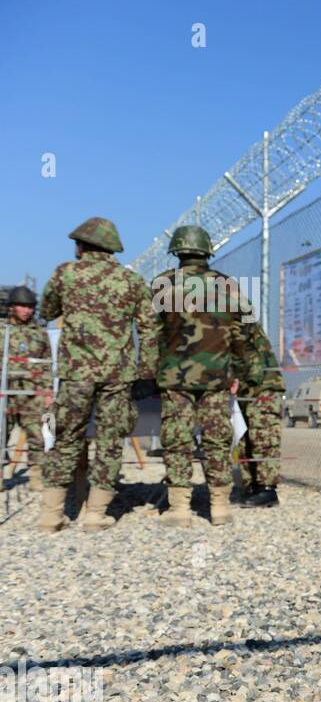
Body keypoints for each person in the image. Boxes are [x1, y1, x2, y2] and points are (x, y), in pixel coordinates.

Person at [38, 217, 159, 533]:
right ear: (110, 248)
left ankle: (51, 515)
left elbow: (47, 311)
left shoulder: (65, 272)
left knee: (67, 437)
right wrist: (146, 371)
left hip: (75, 373)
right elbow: (149, 328)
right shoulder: (130, 281)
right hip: (116, 375)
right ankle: (95, 514)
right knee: (109, 440)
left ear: (81, 246)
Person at [153, 224, 257, 527]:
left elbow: (151, 331)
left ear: (177, 250)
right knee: (216, 438)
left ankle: (180, 509)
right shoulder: (229, 285)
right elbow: (245, 329)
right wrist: (238, 367)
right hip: (217, 376)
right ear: (207, 251)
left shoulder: (163, 284)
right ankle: (220, 506)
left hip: (174, 376)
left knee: (178, 439)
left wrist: (153, 367)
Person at [2, 286, 52, 489]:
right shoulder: (2, 330)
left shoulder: (40, 333)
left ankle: (37, 476)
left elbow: (48, 362)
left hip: (33, 393)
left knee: (38, 436)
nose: (26, 311)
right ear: (12, 307)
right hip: (6, 391)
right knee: (0, 433)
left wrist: (48, 391)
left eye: (30, 307)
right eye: (22, 306)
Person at [234, 315, 284, 507]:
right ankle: (253, 486)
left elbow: (242, 346)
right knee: (244, 438)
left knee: (262, 436)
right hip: (245, 387)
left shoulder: (234, 309)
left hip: (262, 385)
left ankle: (267, 489)